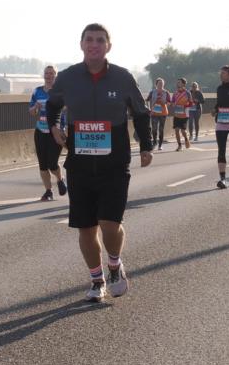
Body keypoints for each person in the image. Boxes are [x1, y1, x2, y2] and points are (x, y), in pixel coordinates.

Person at [45, 23, 152, 302]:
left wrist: (146, 146)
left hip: (114, 162)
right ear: (81, 44)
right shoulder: (68, 78)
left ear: (108, 46)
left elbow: (141, 113)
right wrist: (54, 126)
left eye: (100, 40)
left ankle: (114, 264)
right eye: (89, 40)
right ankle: (97, 280)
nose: (94, 44)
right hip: (79, 162)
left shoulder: (122, 77)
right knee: (86, 227)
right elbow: (53, 105)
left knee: (109, 223)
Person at [28, 65, 68, 201]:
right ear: (43, 75)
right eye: (47, 73)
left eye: (52, 73)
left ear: (55, 76)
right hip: (40, 131)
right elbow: (31, 112)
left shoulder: (61, 92)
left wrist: (63, 128)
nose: (49, 76)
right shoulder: (37, 91)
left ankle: (60, 179)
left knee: (52, 163)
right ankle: (48, 191)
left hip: (56, 131)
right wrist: (35, 107)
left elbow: (67, 110)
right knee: (42, 164)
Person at [146, 78, 171, 150]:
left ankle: (160, 145)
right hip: (154, 113)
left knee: (161, 129)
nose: (161, 85)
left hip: (163, 113)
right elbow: (147, 100)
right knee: (154, 129)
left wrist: (165, 103)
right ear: (156, 84)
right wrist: (148, 108)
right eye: (159, 83)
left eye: (162, 83)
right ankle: (154, 142)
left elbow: (169, 102)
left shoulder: (166, 92)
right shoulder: (152, 92)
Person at [170, 78, 193, 151]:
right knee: (176, 130)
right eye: (177, 83)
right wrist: (173, 104)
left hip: (184, 115)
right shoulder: (175, 93)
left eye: (179, 82)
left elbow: (191, 103)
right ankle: (179, 145)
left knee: (183, 131)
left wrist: (184, 106)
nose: (177, 84)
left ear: (183, 84)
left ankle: (186, 139)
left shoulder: (187, 93)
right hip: (177, 114)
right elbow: (172, 102)